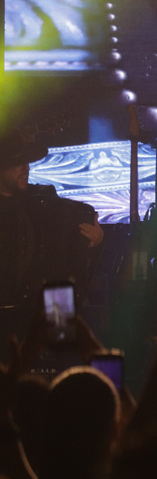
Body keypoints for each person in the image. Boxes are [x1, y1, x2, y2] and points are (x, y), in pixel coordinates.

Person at [0, 128, 103, 341]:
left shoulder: (44, 200)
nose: (26, 168)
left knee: (62, 336)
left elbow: (70, 257)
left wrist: (95, 239)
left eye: (27, 161)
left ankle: (58, 345)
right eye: (18, 161)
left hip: (38, 317)